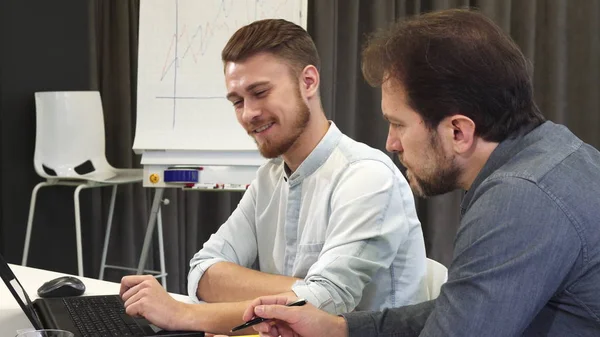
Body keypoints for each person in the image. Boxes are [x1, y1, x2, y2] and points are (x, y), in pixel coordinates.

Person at [239, 9, 600, 337]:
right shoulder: (555, 150)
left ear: (458, 131)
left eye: (398, 125)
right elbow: (460, 308)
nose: (391, 143)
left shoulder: (520, 198)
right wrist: (339, 328)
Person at [119, 18, 428, 335]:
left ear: (308, 82)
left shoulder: (368, 178)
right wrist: (303, 291)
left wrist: (183, 315)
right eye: (237, 101)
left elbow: (319, 309)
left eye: (260, 92)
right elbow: (202, 271)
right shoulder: (268, 180)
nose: (248, 113)